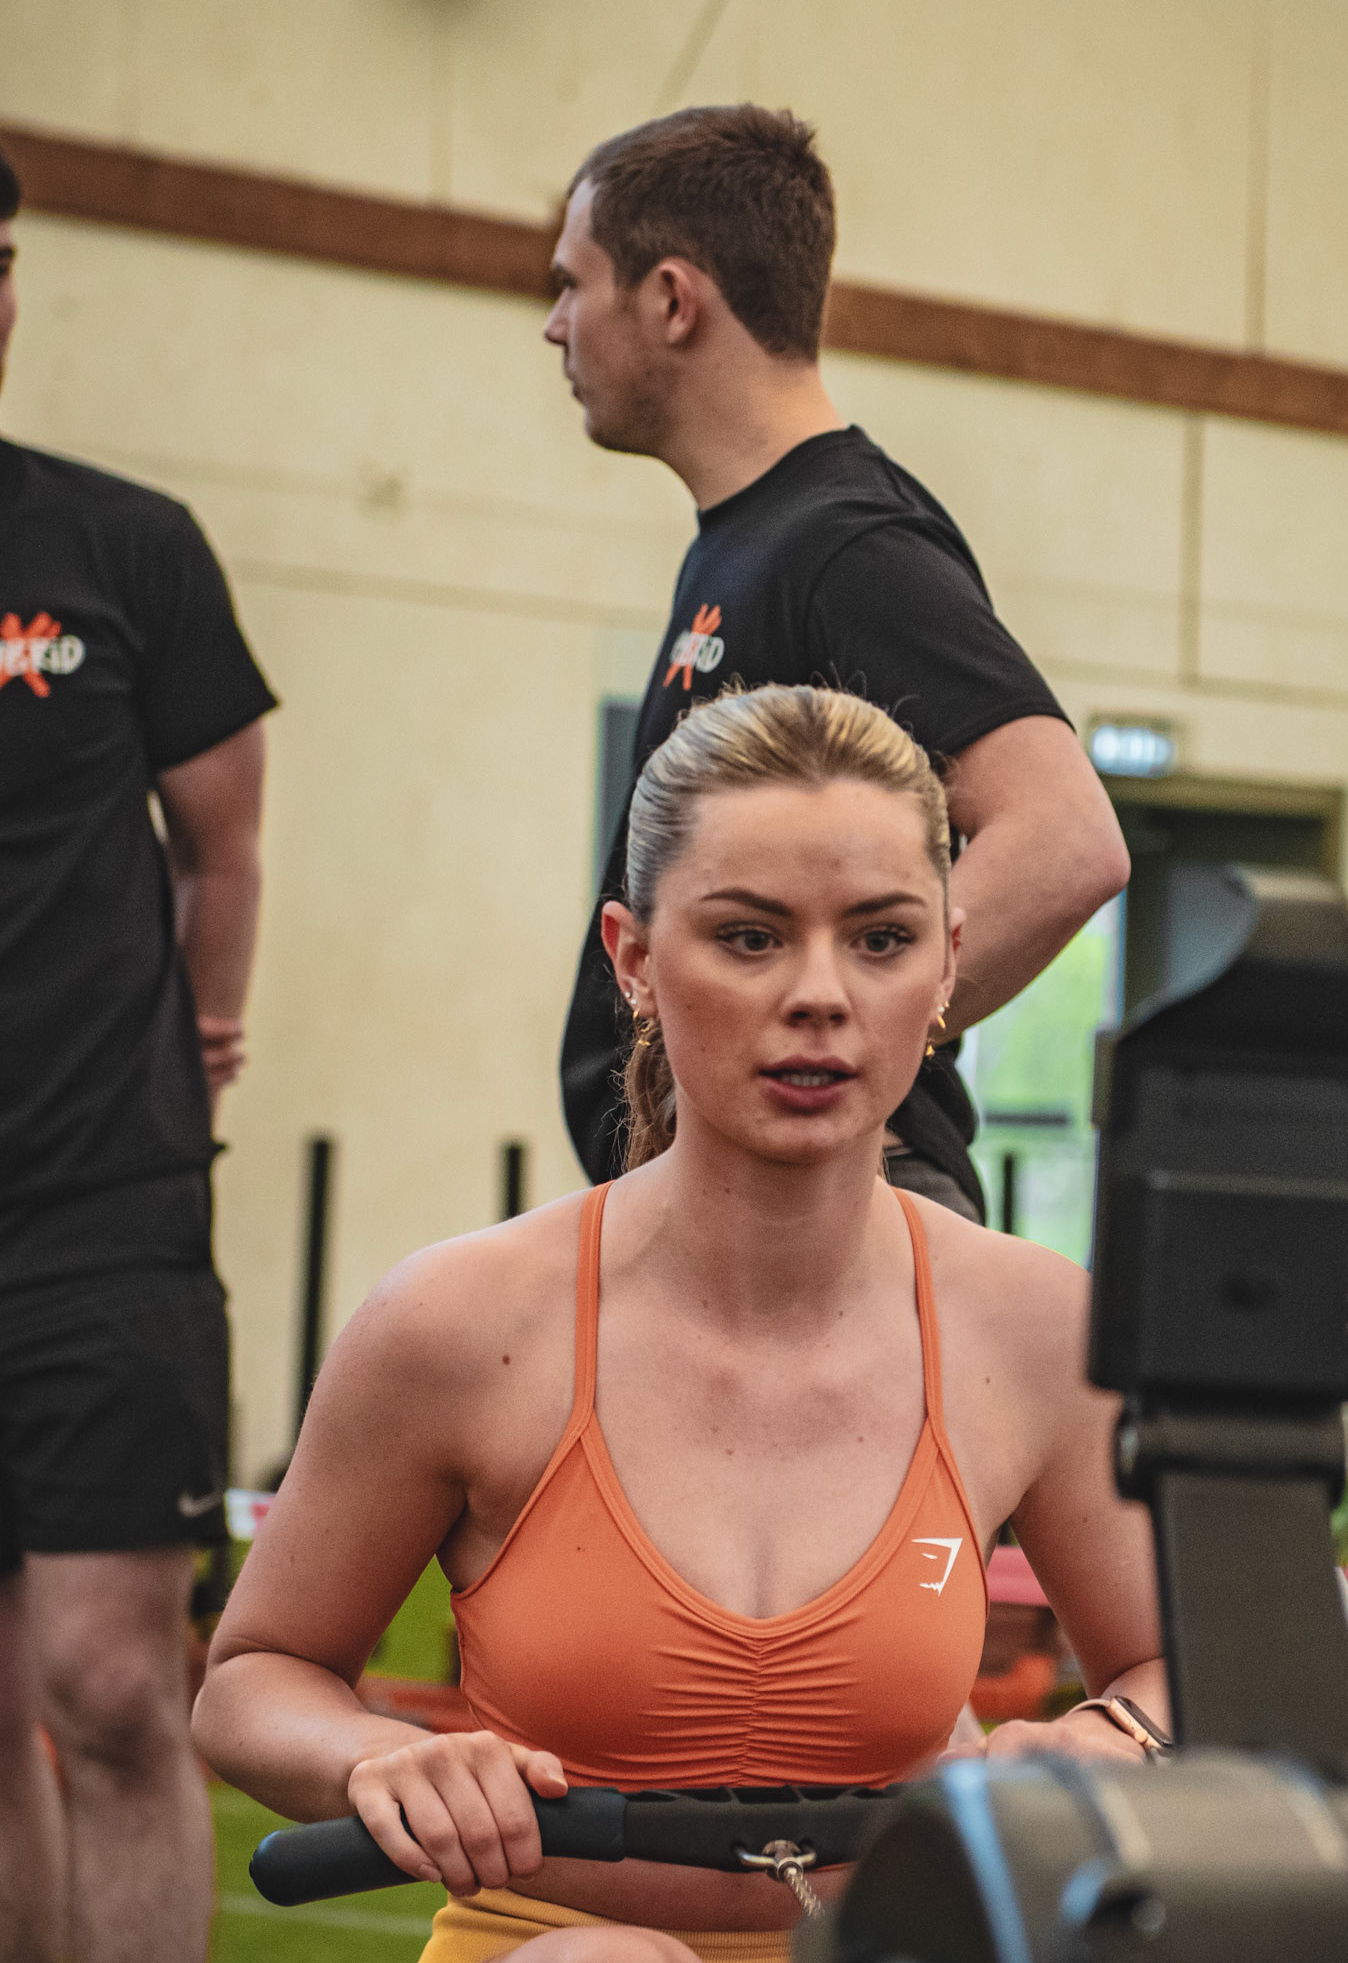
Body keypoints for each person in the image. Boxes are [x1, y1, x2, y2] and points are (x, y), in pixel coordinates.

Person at [194, 684, 1164, 1963]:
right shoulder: (458, 1323)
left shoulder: (1035, 1327)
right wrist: (378, 1755)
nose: (819, 994)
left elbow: (1184, 1672)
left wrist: (1115, 1737)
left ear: (947, 961)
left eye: (881, 938)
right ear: (635, 958)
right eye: (750, 937)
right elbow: (252, 1678)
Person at [553, 105, 1130, 1220]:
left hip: (850, 1200)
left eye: (573, 284)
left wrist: (829, 1057)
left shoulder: (847, 543)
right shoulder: (747, 539)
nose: (553, 324)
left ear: (671, 300)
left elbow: (1066, 841)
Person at [0, 144, 276, 1963]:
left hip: (102, 1206)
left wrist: (198, 1027)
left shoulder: (122, 547)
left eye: (2, 260)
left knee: (109, 1683)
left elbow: (221, 839)